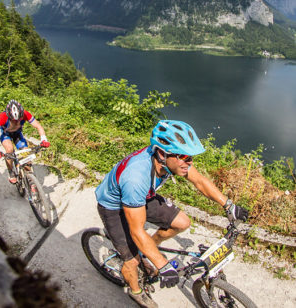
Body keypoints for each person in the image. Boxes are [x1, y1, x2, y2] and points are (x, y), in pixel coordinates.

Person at [95, 120, 248, 308]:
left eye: (190, 157)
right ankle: (136, 292)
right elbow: (136, 231)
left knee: (182, 222)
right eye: (184, 156)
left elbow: (199, 181)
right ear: (161, 153)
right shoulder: (136, 178)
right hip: (114, 206)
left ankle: (146, 250)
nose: (189, 163)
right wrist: (162, 264)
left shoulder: (170, 162)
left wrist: (229, 206)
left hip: (143, 196)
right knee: (132, 260)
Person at [0, 99, 50, 183]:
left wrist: (44, 139)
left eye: (19, 119)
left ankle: (30, 179)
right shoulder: (2, 117)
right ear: (9, 116)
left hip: (17, 133)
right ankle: (11, 172)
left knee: (25, 154)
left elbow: (38, 126)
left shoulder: (25, 114)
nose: (16, 121)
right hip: (5, 134)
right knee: (9, 150)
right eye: (13, 120)